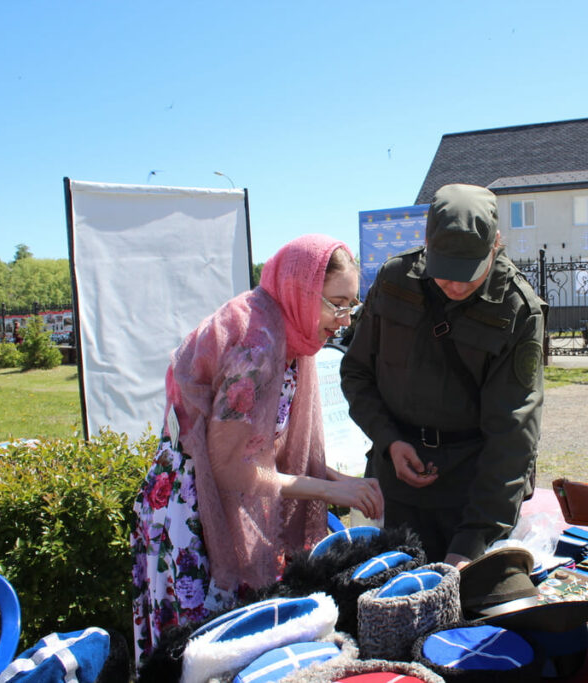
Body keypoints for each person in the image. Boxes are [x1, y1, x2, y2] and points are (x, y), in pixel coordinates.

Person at [130, 235, 384, 664]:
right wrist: (328, 491)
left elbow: (272, 447)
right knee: (203, 654)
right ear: (301, 292)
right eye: (337, 304)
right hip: (195, 511)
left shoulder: (288, 334)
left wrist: (345, 482)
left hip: (214, 496)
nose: (344, 320)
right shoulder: (257, 347)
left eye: (351, 305)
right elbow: (232, 468)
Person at [341, 183, 546, 568]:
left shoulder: (517, 309)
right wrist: (389, 440)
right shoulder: (394, 281)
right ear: (426, 243)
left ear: (496, 244)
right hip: (394, 485)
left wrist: (473, 541)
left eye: (468, 273)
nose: (454, 284)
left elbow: (513, 436)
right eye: (445, 271)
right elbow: (356, 374)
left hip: (468, 494)